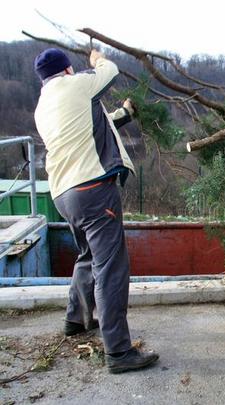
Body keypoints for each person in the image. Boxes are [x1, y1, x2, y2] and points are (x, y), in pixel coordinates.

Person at [34, 48, 158, 374]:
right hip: (92, 189)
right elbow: (112, 70)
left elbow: (92, 125)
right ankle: (118, 351)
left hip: (63, 193)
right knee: (111, 268)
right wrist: (98, 59)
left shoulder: (44, 104)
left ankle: (75, 319)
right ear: (67, 69)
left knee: (88, 256)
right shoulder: (75, 84)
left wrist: (125, 113)